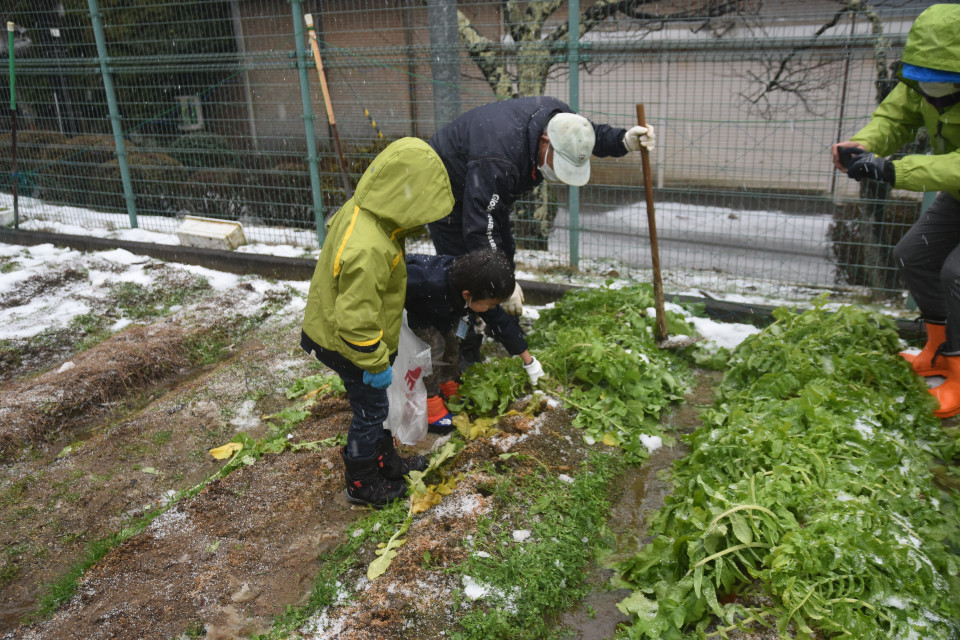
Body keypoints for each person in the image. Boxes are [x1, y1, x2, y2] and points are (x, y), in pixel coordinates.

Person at [427, 95, 656, 363]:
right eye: (559, 164)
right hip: (444, 187)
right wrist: (498, 282)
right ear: (545, 141)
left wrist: (622, 141)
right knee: (465, 270)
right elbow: (479, 227)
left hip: (484, 184)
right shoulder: (499, 157)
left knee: (503, 252)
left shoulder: (561, 121)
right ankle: (461, 349)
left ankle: (498, 322)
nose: (560, 175)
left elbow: (587, 136)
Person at [300, 137, 454, 508]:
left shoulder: (370, 215)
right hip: (348, 343)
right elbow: (354, 319)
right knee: (369, 411)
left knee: (376, 407)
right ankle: (361, 481)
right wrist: (372, 362)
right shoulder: (369, 247)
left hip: (344, 335)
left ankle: (385, 461)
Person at [832, 3, 960, 417]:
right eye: (926, 80)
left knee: (957, 274)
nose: (932, 91)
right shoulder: (920, 78)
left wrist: (893, 170)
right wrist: (866, 144)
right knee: (913, 255)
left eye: (944, 81)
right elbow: (896, 117)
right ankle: (940, 349)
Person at [405, 248, 545, 433]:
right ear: (467, 295)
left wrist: (530, 362)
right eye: (490, 305)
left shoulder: (479, 289)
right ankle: (430, 405)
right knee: (432, 352)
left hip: (443, 312)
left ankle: (448, 383)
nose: (491, 309)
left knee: (452, 343)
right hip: (417, 313)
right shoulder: (427, 281)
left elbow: (501, 322)